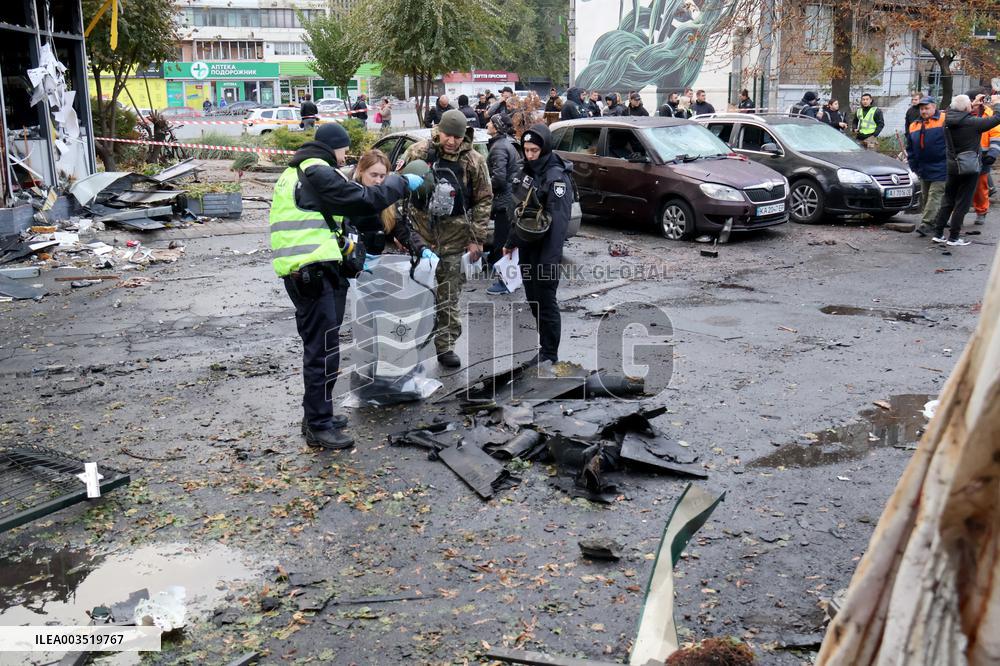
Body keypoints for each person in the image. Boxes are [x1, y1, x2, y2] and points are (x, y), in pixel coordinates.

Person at [268, 123, 424, 449]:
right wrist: (399, 181)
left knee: (322, 349)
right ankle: (319, 426)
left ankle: (315, 415)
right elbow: (365, 199)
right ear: (334, 147)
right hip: (312, 272)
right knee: (322, 353)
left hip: (311, 271)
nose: (344, 155)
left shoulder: (297, 171)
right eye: (343, 149)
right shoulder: (317, 171)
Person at [400, 109, 493, 368]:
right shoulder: (419, 152)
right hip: (421, 238)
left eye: (456, 136)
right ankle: (409, 346)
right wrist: (400, 232)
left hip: (455, 240)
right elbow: (399, 190)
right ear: (438, 130)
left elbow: (484, 200)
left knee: (448, 297)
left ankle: (445, 345)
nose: (451, 141)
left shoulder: (474, 161)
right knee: (416, 296)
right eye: (446, 134)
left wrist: (477, 239)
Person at [503, 124, 574, 364]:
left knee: (546, 302)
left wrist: (550, 261)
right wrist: (511, 241)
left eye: (534, 150)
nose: (530, 154)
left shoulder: (556, 177)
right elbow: (521, 210)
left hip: (546, 251)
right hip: (528, 246)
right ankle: (544, 349)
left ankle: (549, 354)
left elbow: (559, 224)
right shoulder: (528, 170)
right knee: (534, 300)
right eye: (526, 149)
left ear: (544, 148)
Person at [931, 94, 1000, 246]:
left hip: (951, 166)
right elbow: (996, 119)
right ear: (965, 108)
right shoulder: (973, 123)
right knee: (962, 203)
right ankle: (954, 237)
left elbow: (953, 109)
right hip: (969, 168)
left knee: (948, 200)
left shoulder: (946, 120)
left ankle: (938, 233)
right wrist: (997, 103)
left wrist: (970, 104)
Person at [345, 148, 432, 260]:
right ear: (361, 171)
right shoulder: (350, 196)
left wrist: (421, 248)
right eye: (374, 175)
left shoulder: (387, 200)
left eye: (382, 176)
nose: (378, 181)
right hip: (350, 262)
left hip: (375, 264)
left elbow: (401, 228)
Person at [485, 113, 523, 295]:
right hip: (510, 198)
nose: (487, 124)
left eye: (490, 123)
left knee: (503, 241)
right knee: (505, 239)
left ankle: (505, 281)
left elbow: (499, 178)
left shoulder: (499, 147)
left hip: (504, 201)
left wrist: (485, 189)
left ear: (497, 127)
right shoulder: (507, 143)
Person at [905, 96, 947, 237]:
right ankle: (937, 221)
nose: (924, 111)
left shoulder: (943, 119)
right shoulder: (914, 125)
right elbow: (910, 148)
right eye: (922, 109)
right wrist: (913, 165)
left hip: (942, 165)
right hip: (923, 167)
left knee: (935, 195)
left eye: (927, 108)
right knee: (926, 196)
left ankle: (926, 223)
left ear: (934, 107)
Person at [969, 90, 1000, 225]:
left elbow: (995, 135)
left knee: (981, 187)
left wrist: (993, 153)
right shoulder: (964, 113)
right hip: (966, 155)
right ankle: (956, 212)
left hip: (983, 156)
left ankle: (981, 211)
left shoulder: (989, 114)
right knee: (960, 186)